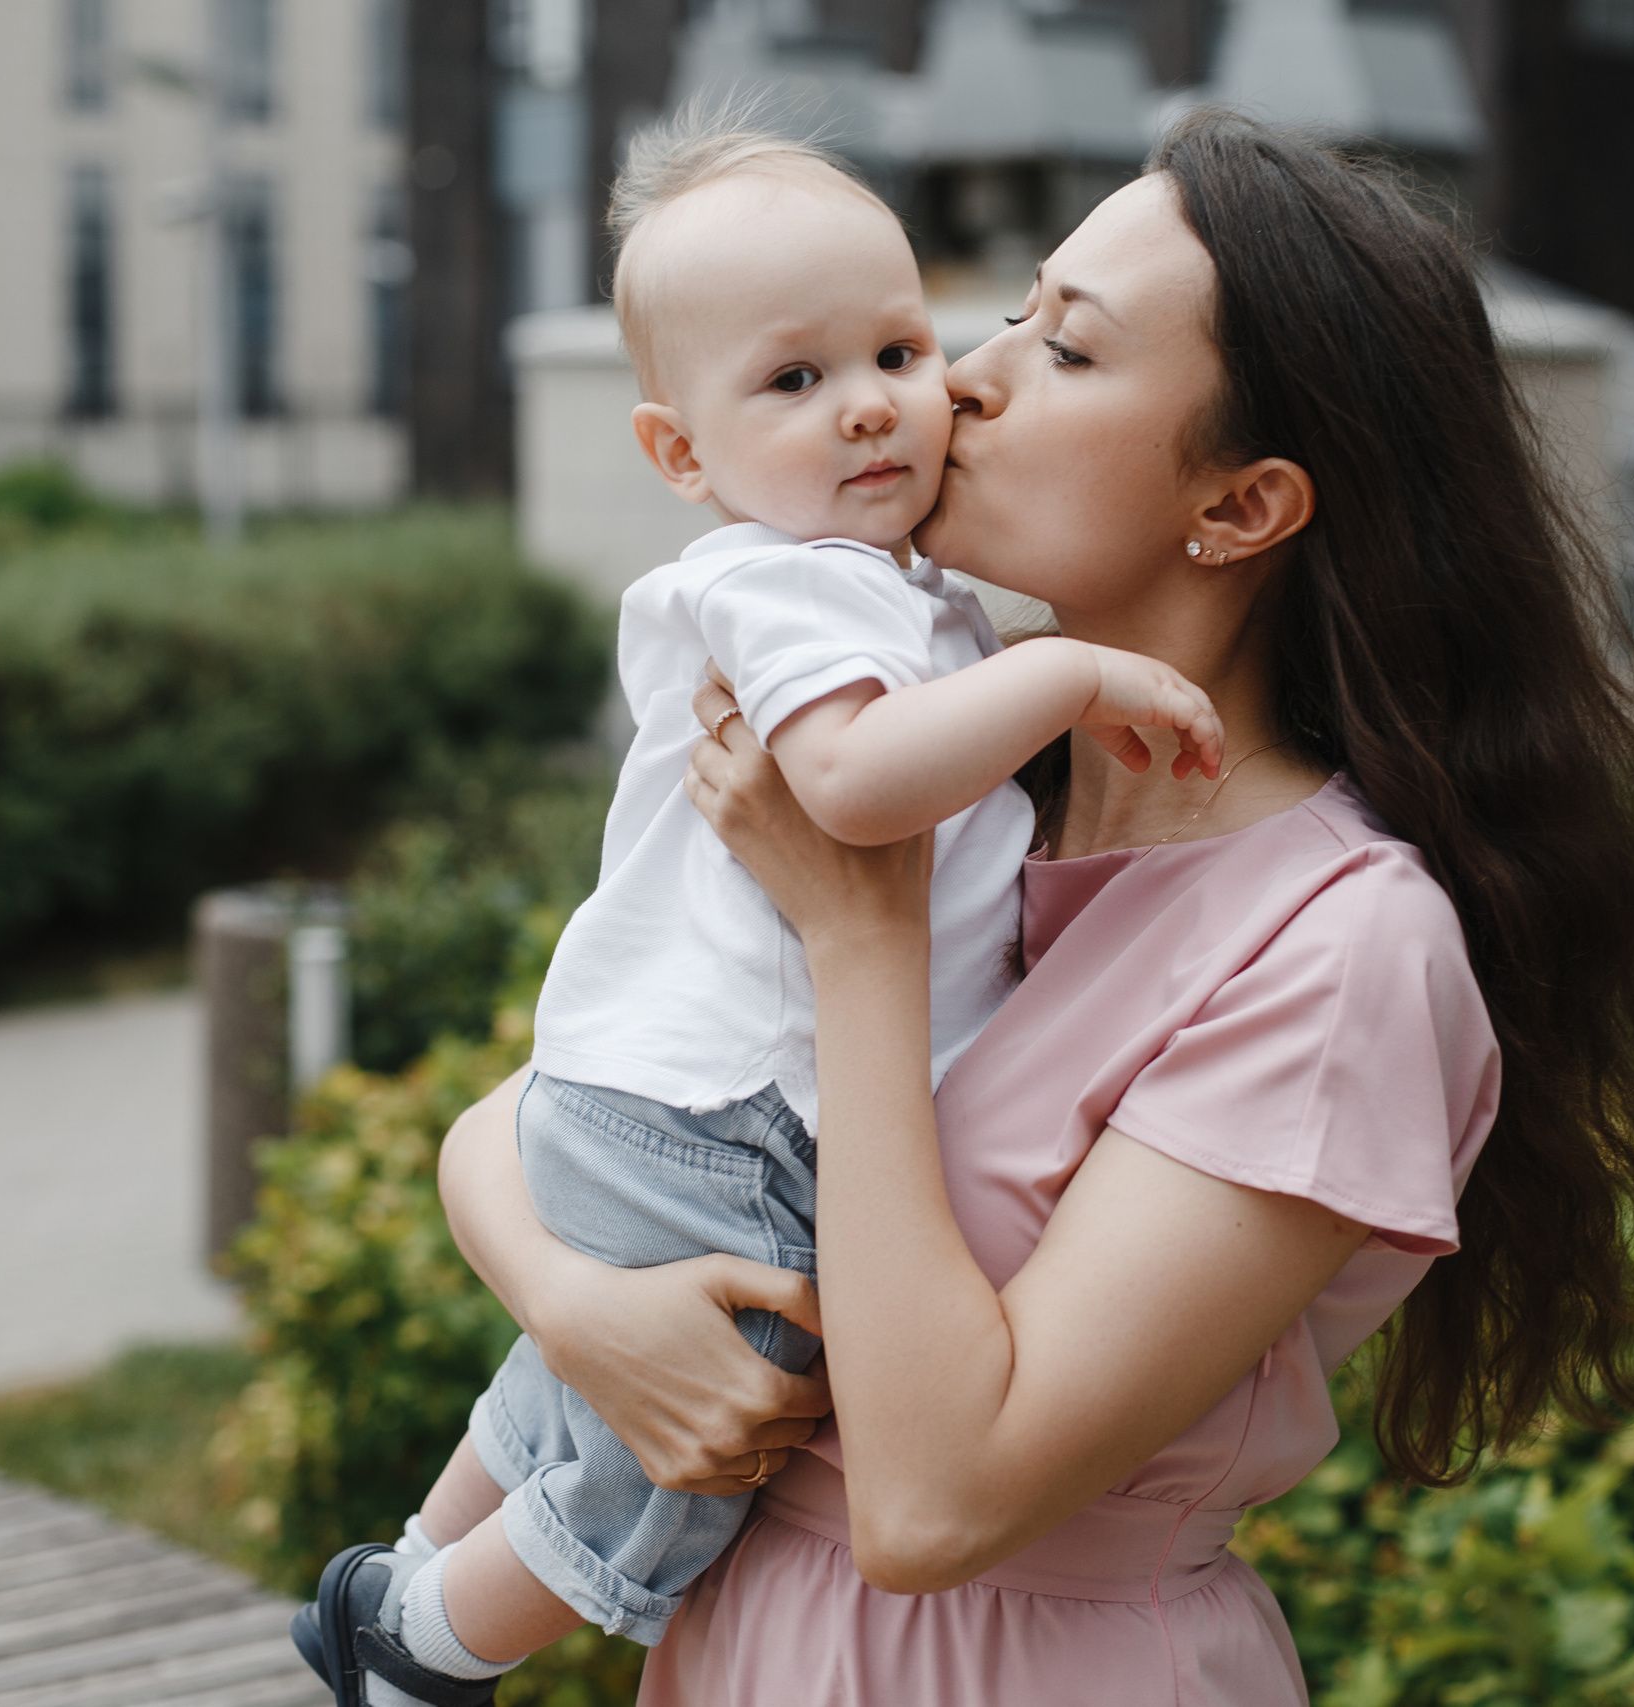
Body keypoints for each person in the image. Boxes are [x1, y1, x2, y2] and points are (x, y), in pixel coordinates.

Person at [431, 110, 1634, 1704]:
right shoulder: (970, 763)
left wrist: (863, 940)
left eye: (1064, 350)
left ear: (1241, 506)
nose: (960, 381)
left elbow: (938, 1503)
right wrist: (582, 1308)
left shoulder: (1340, 948)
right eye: (1004, 312)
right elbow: (543, 1115)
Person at [293, 115, 1226, 1707]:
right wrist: (1062, 677)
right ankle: (423, 1650)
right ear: (680, 455)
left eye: (896, 345)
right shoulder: (787, 583)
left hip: (669, 1095)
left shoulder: (893, 592)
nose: (877, 402)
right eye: (794, 383)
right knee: (708, 1420)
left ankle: (400, 1566)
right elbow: (855, 793)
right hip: (728, 1115)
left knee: (574, 1392)